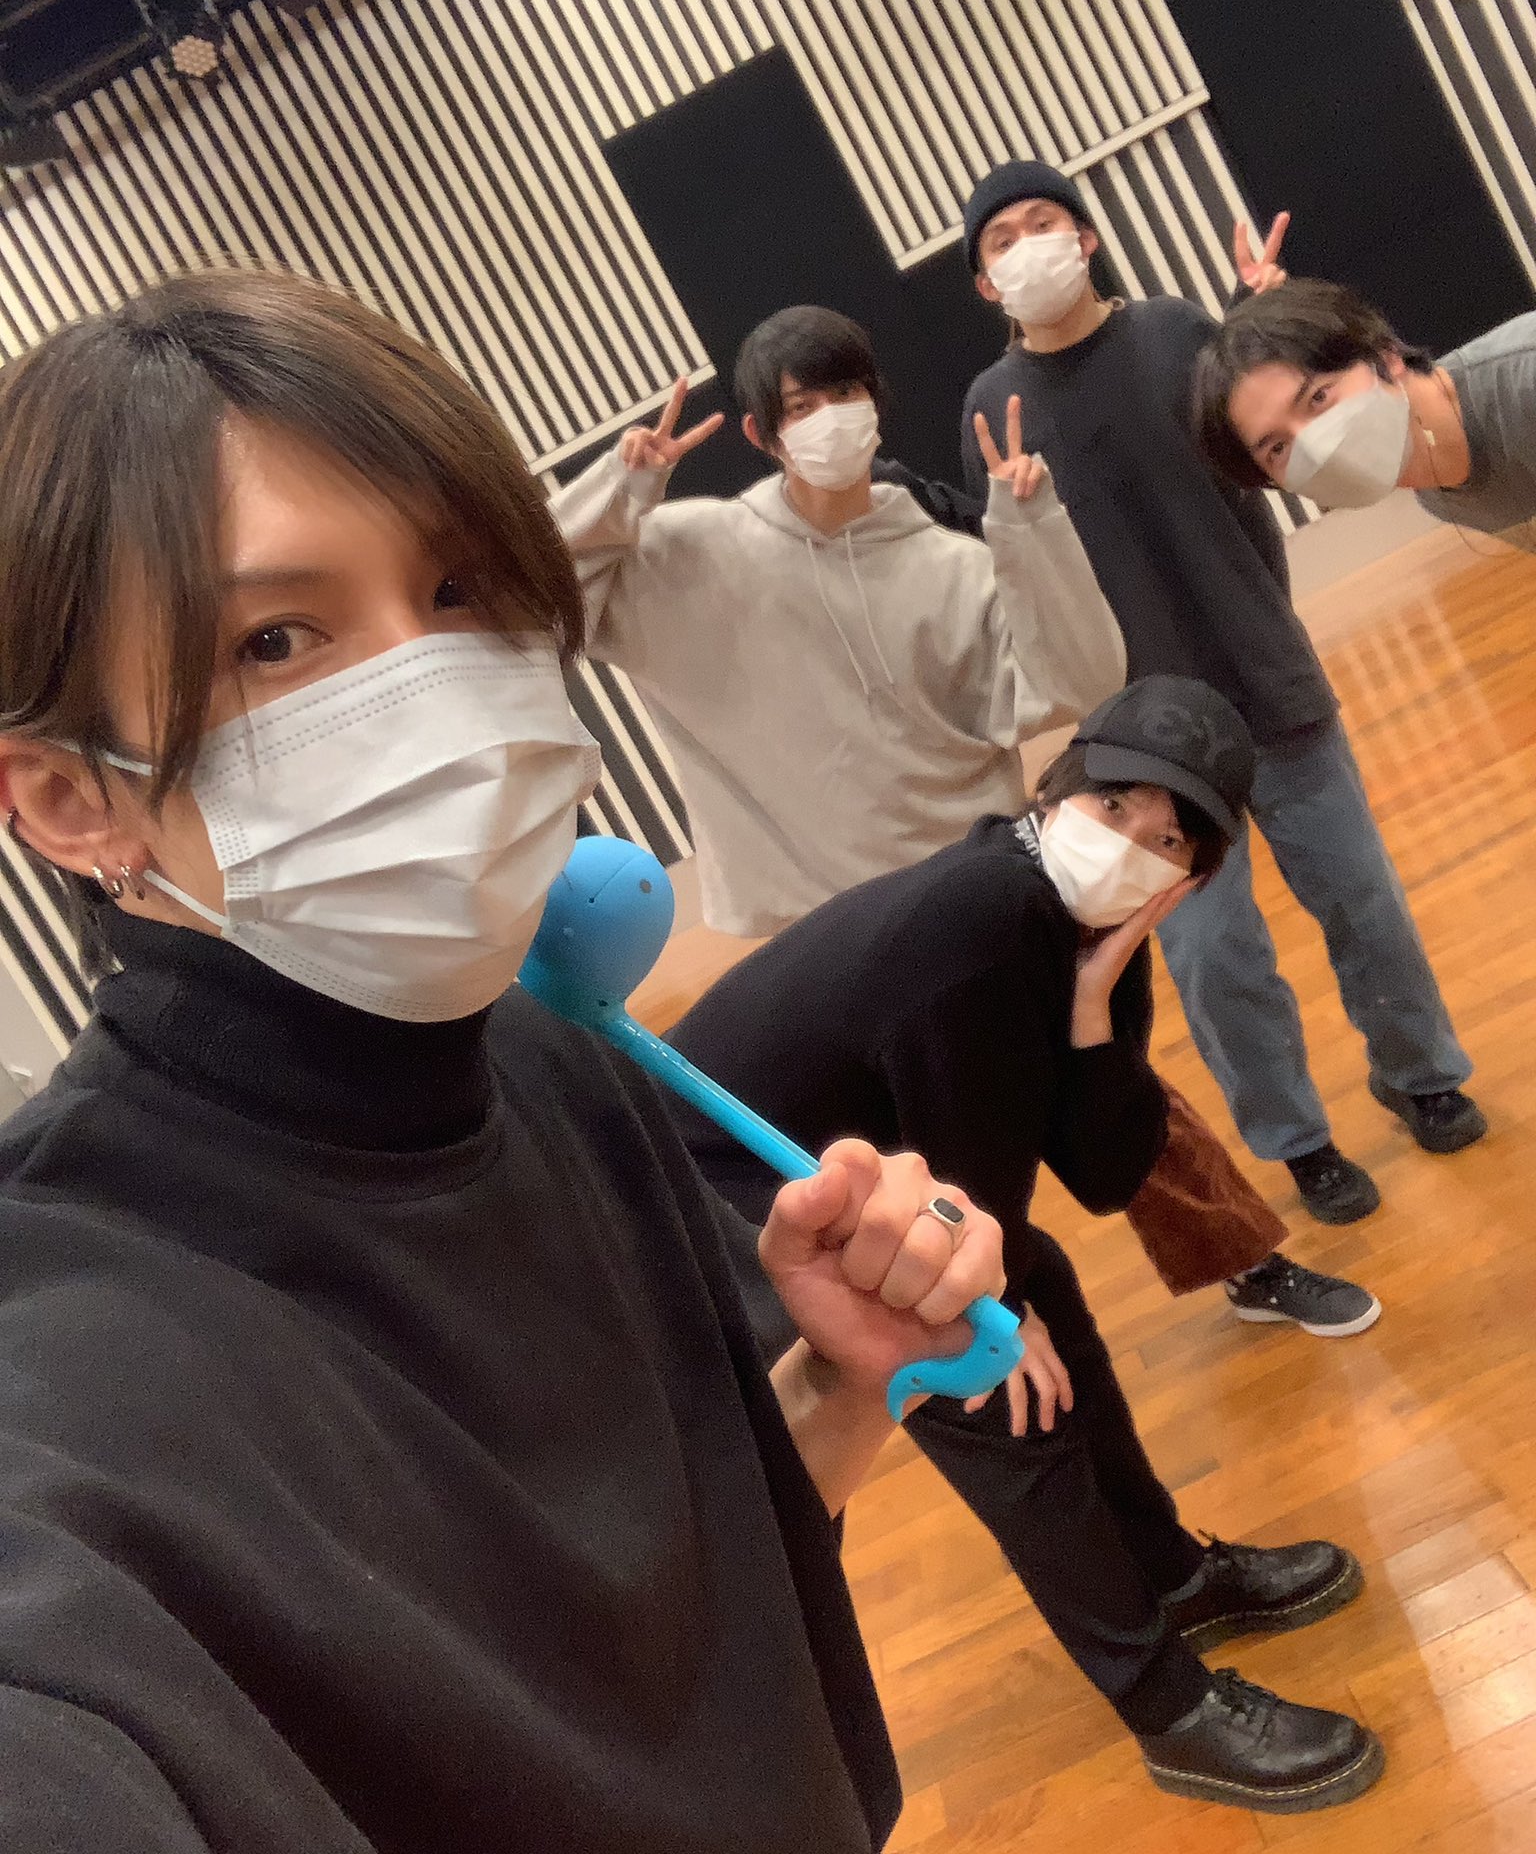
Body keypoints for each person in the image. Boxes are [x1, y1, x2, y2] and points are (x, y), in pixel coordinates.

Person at [0, 268, 1020, 1854]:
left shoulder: (551, 1062)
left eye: (459, 587)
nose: (432, 690)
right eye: (277, 639)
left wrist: (836, 1385)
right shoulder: (64, 1360)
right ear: (76, 801)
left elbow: (635, 1659)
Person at [668, 676, 1384, 1816]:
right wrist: (997, 1323)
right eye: (1115, 804)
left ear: (1193, 878)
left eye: (1169, 838)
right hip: (722, 1205)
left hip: (864, 1182)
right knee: (996, 1382)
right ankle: (1168, 1707)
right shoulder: (987, 915)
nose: (1130, 843)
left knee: (1034, 1286)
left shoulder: (1088, 941)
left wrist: (1094, 1010)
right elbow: (969, 1185)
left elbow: (1103, 1171)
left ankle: (1170, 1574)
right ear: (1058, 790)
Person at [958, 161, 1484, 1224]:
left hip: (1263, 669)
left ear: (1086, 236)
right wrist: (1017, 514)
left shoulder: (1173, 333)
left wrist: (1273, 324)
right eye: (1001, 239)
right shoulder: (990, 410)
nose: (1026, 247)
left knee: (1364, 901)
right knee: (1217, 960)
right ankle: (1299, 1144)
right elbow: (1026, 596)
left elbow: (1274, 437)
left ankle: (1420, 1072)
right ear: (983, 281)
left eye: (1043, 222)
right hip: (1141, 746)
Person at [549, 304, 1125, 938]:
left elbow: (1079, 684)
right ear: (761, 434)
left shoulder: (957, 568)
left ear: (874, 403)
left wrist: (1031, 528)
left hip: (972, 896)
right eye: (802, 407)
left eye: (846, 393)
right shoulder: (686, 557)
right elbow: (537, 598)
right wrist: (619, 489)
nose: (830, 417)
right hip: (815, 934)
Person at [1188, 275, 1536, 548]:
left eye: (1318, 398)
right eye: (1278, 448)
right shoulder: (1431, 486)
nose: (1315, 448)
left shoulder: (1525, 383)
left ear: (1385, 355)